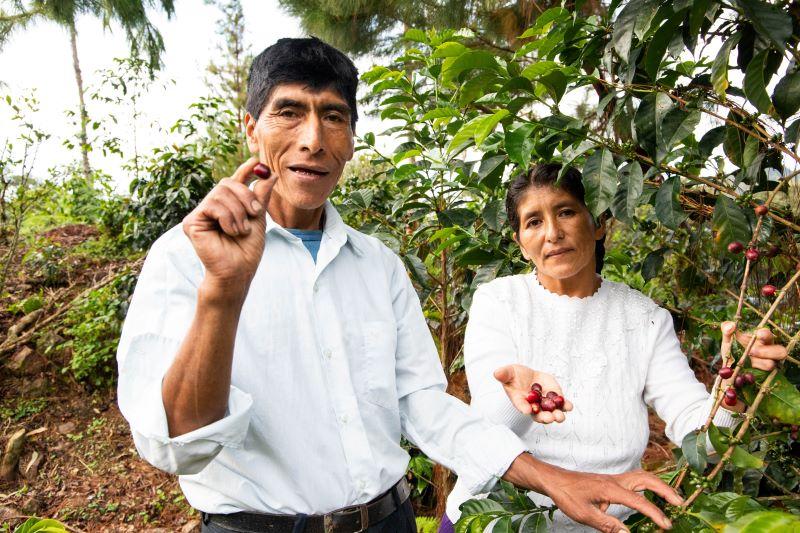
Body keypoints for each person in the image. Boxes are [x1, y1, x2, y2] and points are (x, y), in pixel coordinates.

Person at [116, 38, 683, 533]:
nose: (313, 139)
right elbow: (178, 443)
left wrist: (553, 478)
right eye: (288, 112)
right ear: (250, 128)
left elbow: (423, 406)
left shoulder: (378, 265)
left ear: (351, 138)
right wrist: (222, 291)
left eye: (333, 116)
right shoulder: (186, 257)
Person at [441, 163, 788, 532]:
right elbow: (487, 433)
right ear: (521, 245)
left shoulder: (644, 318)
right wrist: (519, 400)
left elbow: (702, 438)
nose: (553, 233)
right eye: (534, 222)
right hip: (495, 522)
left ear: (598, 223)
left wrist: (731, 388)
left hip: (608, 525)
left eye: (566, 212)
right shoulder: (498, 301)